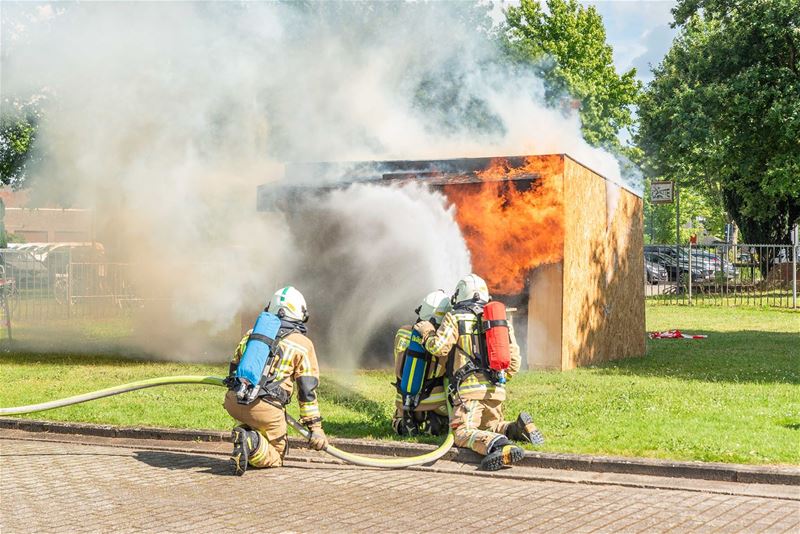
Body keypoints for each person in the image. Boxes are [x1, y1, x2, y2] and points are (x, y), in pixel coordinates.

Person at [415, 274, 544, 471]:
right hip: (496, 392)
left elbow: (438, 347)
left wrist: (427, 332)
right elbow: (514, 362)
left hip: (469, 392)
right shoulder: (500, 320)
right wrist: (497, 381)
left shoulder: (455, 317)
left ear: (459, 296)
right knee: (490, 427)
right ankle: (518, 428)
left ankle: (499, 445)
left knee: (461, 432)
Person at [223, 286, 327, 475]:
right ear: (301, 314)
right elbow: (307, 391)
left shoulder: (252, 334)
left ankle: (246, 435)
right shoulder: (303, 344)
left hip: (234, 401)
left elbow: (234, 368)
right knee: (277, 455)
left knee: (253, 423)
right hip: (266, 409)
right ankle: (251, 442)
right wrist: (316, 428)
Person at [392, 290, 451, 437]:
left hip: (404, 400)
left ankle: (403, 422)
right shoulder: (442, 342)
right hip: (435, 403)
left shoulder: (403, 332)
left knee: (397, 418)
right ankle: (436, 420)